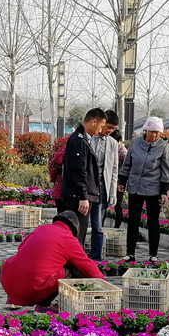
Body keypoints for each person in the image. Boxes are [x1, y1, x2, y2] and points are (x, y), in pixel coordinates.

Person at [0, 210, 104, 309]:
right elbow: (88, 267)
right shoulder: (68, 239)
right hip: (32, 288)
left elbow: (21, 250)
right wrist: (103, 286)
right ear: (74, 230)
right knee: (72, 270)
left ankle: (14, 301)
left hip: (9, 283)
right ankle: (43, 306)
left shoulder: (41, 229)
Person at [118, 116, 169, 263]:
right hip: (135, 187)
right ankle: (130, 253)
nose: (154, 135)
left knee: (153, 221)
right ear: (145, 130)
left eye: (157, 132)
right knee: (133, 221)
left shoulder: (164, 147)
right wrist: (122, 182)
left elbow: (167, 171)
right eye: (152, 131)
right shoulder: (135, 143)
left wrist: (164, 191)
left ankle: (153, 254)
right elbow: (127, 164)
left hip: (154, 189)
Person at [57, 108, 106, 248]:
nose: (101, 130)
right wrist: (83, 196)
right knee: (77, 237)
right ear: (93, 122)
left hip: (79, 195)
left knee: (78, 236)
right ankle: (74, 262)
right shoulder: (78, 141)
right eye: (101, 126)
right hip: (77, 197)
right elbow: (79, 171)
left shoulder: (82, 139)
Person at [87, 110, 119, 260]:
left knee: (97, 224)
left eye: (113, 129)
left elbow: (114, 170)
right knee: (81, 223)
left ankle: (95, 257)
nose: (110, 131)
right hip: (87, 185)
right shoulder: (89, 138)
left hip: (102, 186)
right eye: (109, 127)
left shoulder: (113, 143)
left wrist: (112, 193)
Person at [110, 129, 127, 229]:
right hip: (111, 180)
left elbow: (125, 170)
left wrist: (120, 183)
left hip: (119, 181)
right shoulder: (113, 149)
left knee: (118, 204)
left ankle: (117, 226)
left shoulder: (123, 153)